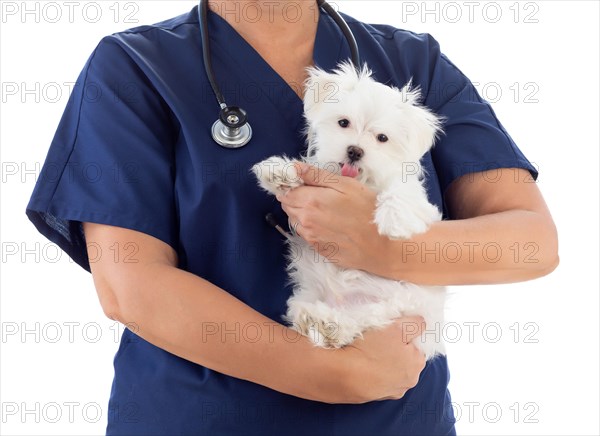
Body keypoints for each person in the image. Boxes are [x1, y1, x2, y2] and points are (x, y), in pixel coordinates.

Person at [26, 1, 559, 434]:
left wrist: (381, 245)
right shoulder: (136, 67)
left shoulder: (411, 64)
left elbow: (531, 242)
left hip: (396, 420)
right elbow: (129, 285)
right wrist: (335, 373)